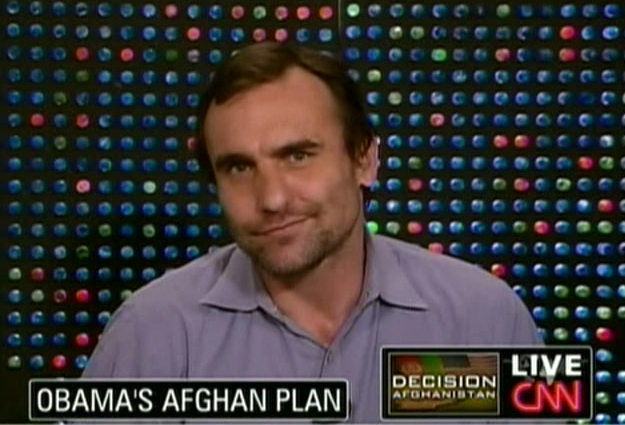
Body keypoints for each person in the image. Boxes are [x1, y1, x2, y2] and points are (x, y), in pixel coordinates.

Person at [82, 41, 542, 422]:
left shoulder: (482, 318)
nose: (271, 198)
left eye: (297, 156)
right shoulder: (155, 331)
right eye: (239, 167)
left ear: (364, 160)